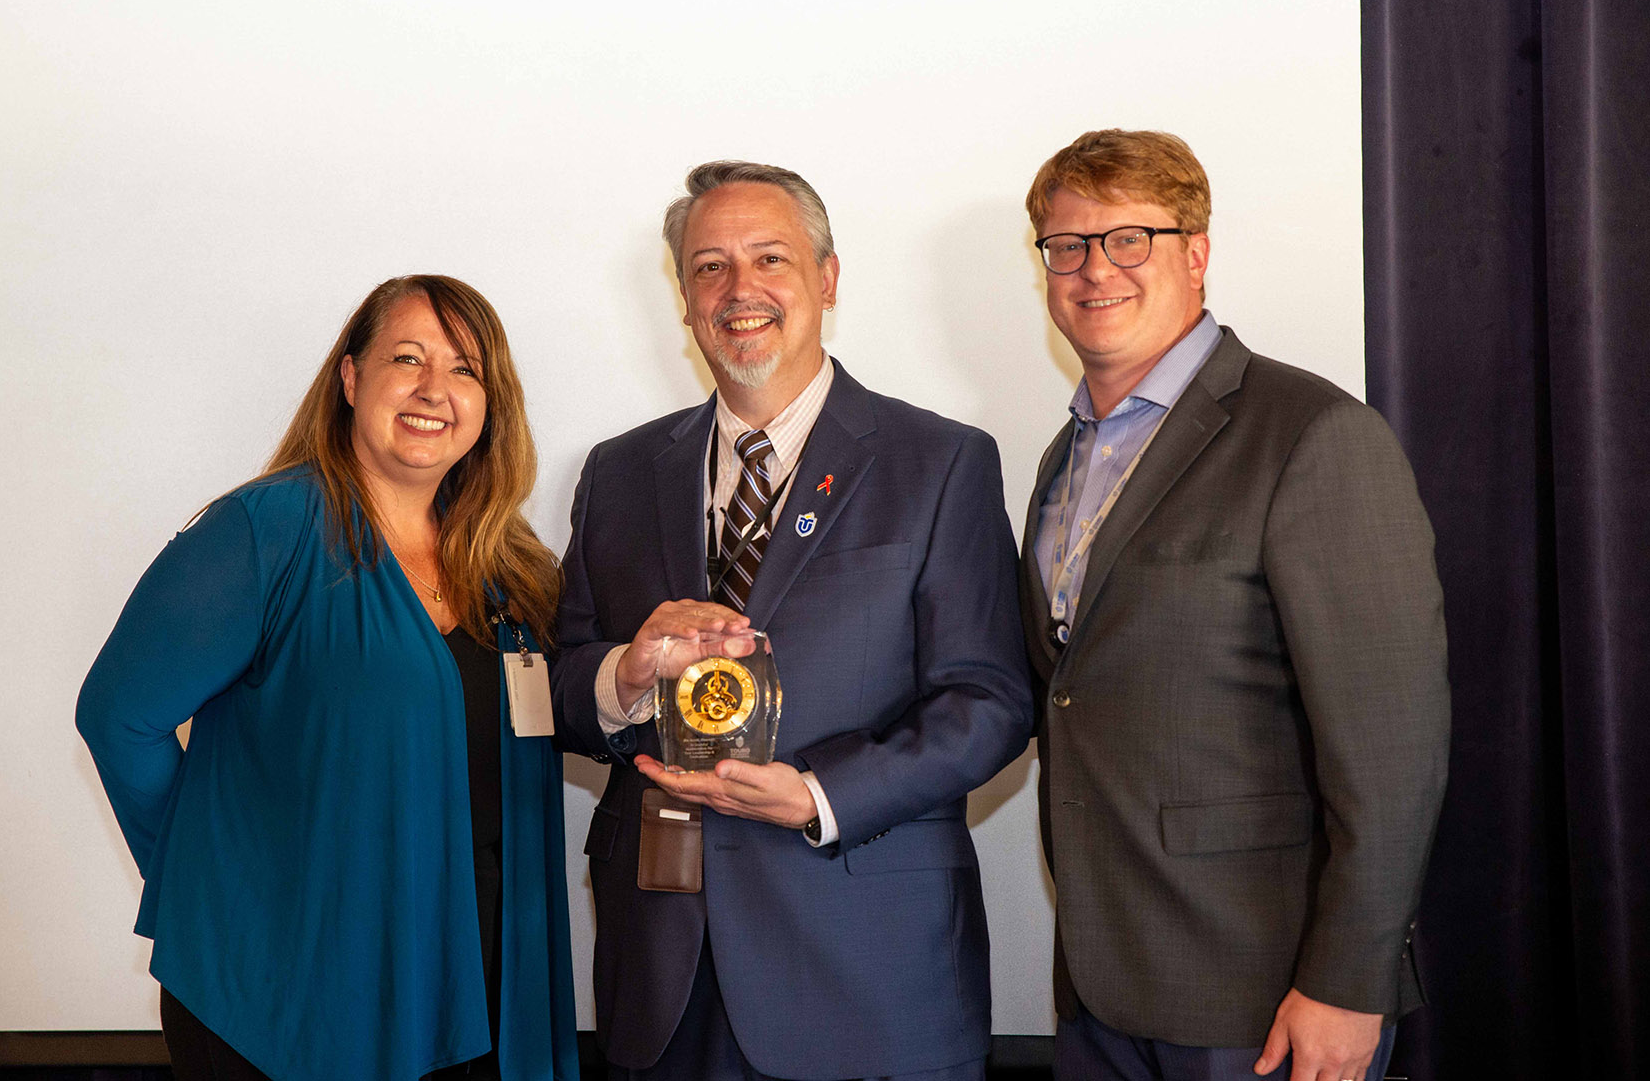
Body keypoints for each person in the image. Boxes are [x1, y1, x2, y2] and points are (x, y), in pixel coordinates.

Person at [551, 161, 1034, 1081]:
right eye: (708, 266)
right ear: (684, 299)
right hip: (663, 980)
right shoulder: (617, 473)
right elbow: (565, 684)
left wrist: (818, 796)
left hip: (863, 972)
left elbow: (991, 701)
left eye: (769, 258)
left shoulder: (938, 462)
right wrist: (621, 676)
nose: (739, 290)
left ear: (827, 278)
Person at [1018, 129, 1450, 1081]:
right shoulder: (1065, 459)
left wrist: (1348, 980)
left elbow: (1392, 751)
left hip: (1265, 997)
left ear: (1196, 252)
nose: (1095, 269)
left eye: (1130, 239)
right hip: (1101, 987)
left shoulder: (1313, 434)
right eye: (1067, 245)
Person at [77, 275, 578, 1080]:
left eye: (463, 370)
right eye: (406, 358)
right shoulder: (263, 532)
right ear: (350, 379)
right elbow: (117, 716)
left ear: (490, 403)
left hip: (471, 984)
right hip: (289, 990)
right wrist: (210, 884)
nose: (432, 389)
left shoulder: (510, 568)